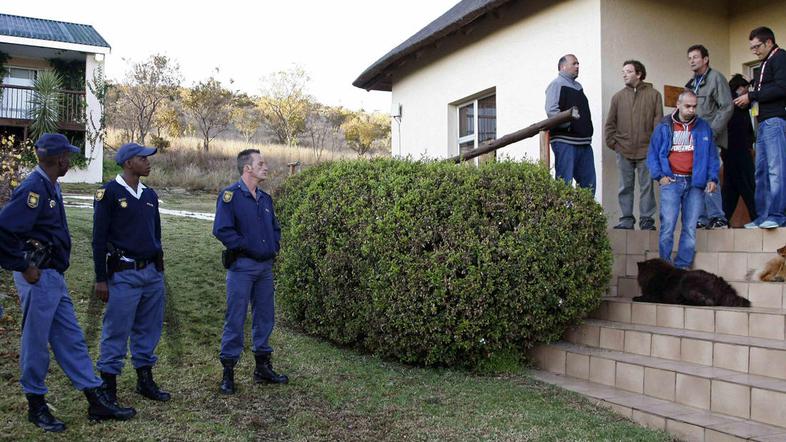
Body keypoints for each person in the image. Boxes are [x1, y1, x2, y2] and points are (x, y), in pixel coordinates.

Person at [0, 133, 135, 432]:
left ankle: (94, 397)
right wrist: (23, 266)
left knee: (70, 337)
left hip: (53, 276)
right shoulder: (34, 188)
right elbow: (3, 230)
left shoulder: (49, 185)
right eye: (67, 155)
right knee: (36, 342)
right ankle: (36, 405)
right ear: (59, 158)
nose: (69, 160)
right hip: (38, 276)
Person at [92, 143, 171, 405]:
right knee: (116, 329)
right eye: (142, 158)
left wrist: (158, 267)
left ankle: (144, 379)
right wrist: (101, 279)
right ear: (128, 163)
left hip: (151, 273)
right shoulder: (109, 193)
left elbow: (155, 235)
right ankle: (108, 384)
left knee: (148, 328)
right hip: (123, 274)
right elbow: (98, 239)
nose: (148, 162)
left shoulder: (149, 195)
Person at [212, 149, 288, 395]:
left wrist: (273, 246)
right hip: (242, 267)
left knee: (265, 316)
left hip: (265, 268)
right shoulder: (230, 196)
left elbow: (275, 228)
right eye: (261, 163)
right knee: (235, 317)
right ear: (247, 168)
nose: (266, 167)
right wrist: (247, 246)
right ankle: (228, 372)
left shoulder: (265, 199)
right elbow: (222, 230)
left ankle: (262, 367)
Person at [647, 91, 720, 269]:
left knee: (689, 228)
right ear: (678, 105)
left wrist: (712, 178)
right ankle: (665, 267)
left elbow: (712, 156)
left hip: (695, 183)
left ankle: (682, 267)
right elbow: (653, 154)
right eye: (688, 106)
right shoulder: (664, 125)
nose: (691, 110)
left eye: (694, 106)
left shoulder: (703, 127)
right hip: (671, 182)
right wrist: (660, 176)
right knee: (668, 227)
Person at [734, 26, 786, 229]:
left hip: (775, 120)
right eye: (751, 48)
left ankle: (778, 214)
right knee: (761, 171)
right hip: (763, 122)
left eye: (757, 46)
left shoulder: (780, 58)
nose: (754, 51)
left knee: (776, 169)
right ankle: (763, 215)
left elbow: (782, 87)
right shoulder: (765, 63)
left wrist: (752, 96)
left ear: (769, 43)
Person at [604, 60, 663, 230]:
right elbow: (610, 124)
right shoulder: (618, 97)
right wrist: (613, 144)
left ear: (639, 74)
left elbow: (658, 124)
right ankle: (626, 220)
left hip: (647, 151)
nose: (624, 74)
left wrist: (655, 147)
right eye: (623, 71)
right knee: (625, 187)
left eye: (628, 71)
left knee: (647, 188)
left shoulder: (654, 95)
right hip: (623, 149)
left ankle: (646, 221)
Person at [685, 44, 733, 229]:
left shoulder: (716, 78)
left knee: (709, 174)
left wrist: (711, 132)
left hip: (710, 137)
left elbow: (727, 107)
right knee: (696, 177)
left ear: (705, 59)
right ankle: (702, 217)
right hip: (693, 139)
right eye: (689, 58)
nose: (691, 61)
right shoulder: (690, 84)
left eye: (695, 57)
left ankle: (717, 217)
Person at [545, 54, 595, 195]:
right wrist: (567, 126)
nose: (578, 66)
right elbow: (551, 110)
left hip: (584, 143)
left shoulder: (579, 87)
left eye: (578, 63)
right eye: (574, 63)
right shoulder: (556, 84)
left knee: (588, 185)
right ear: (563, 67)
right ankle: (563, 216)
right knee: (564, 184)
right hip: (565, 142)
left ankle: (586, 216)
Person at [723, 74, 757, 223]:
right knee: (748, 184)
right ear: (740, 88)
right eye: (746, 89)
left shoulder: (728, 101)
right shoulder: (733, 101)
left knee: (731, 188)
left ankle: (723, 219)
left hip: (729, 151)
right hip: (738, 151)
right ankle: (757, 217)